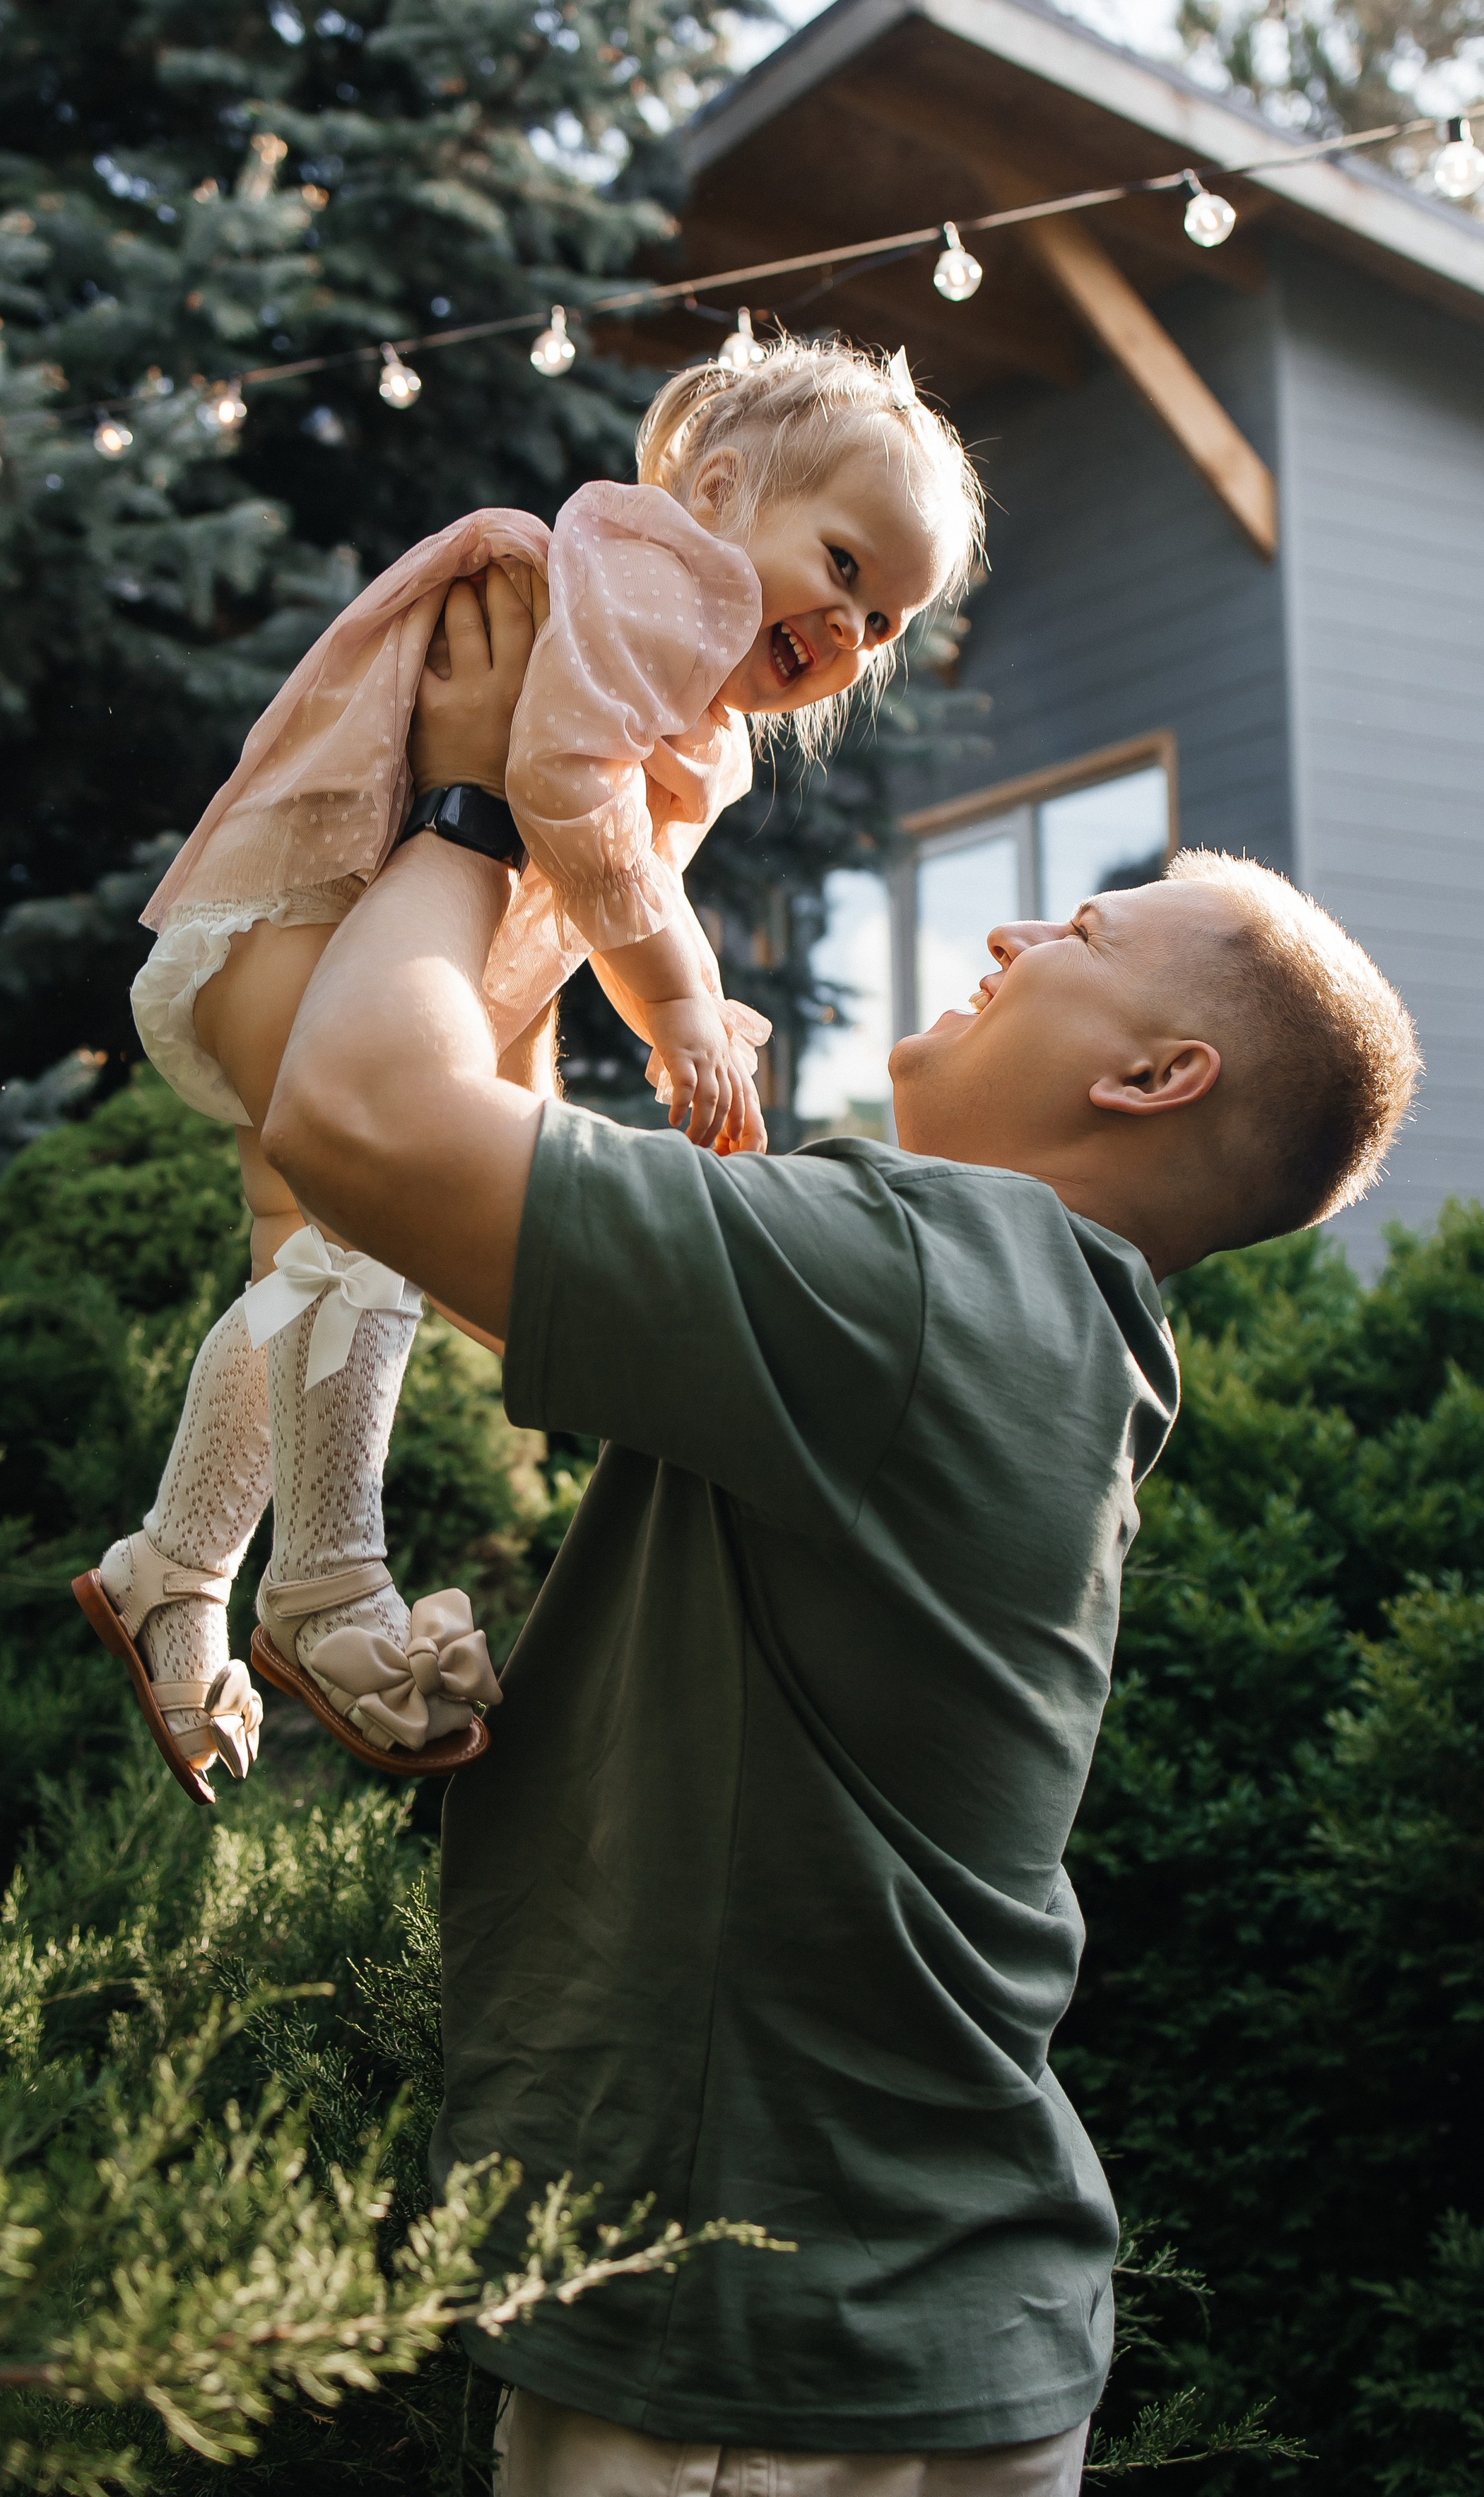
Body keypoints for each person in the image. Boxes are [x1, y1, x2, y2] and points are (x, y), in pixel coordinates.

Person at [257, 609, 1421, 2491]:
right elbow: (492, 1204)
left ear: (1153, 1078)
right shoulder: (1028, 1321)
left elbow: (362, 1124)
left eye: (1082, 935)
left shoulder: (932, 1281)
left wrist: (475, 802)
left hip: (759, 2356)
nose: (1009, 933)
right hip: (875, 2324)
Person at [73, 339, 980, 1802]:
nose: (855, 628)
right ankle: (323, 1583)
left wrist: (668, 1006)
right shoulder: (651, 577)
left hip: (349, 921)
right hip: (324, 893)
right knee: (359, 1229)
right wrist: (680, 1001)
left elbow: (573, 895)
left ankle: (173, 1568)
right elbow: (552, 782)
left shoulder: (679, 670)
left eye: (886, 617)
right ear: (719, 487)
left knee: (300, 1269)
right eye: (842, 564)